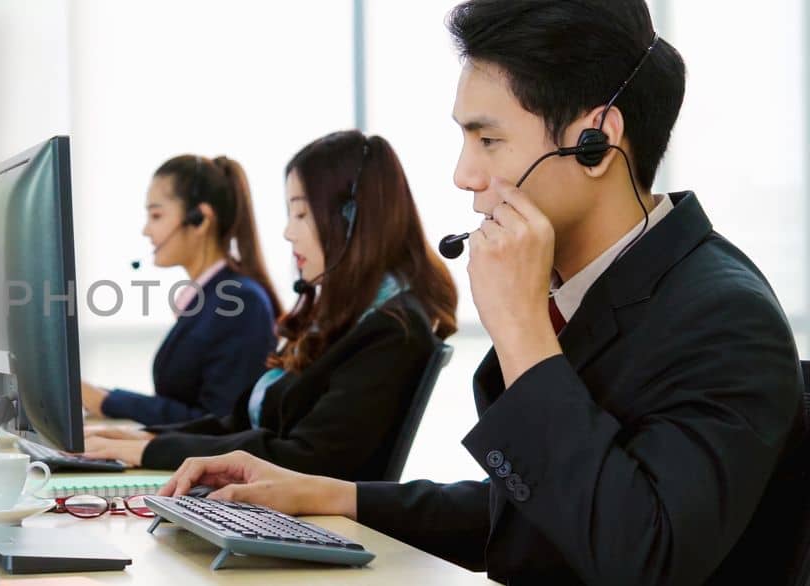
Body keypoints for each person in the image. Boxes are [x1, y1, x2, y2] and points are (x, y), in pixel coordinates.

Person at [157, 2, 806, 584]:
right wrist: (326, 494)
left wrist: (523, 330)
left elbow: (641, 554)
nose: (464, 176)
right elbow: (533, 508)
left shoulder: (723, 317)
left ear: (595, 142)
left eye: (488, 139)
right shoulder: (586, 288)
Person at [81, 131, 458, 477]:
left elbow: (303, 457)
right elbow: (239, 422)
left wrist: (151, 450)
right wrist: (148, 439)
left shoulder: (391, 329)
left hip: (315, 528)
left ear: (353, 219)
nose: (287, 231)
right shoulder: (337, 320)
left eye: (301, 213)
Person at [79, 154, 281, 426]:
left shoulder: (240, 301)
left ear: (200, 219)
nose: (146, 230)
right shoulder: (209, 298)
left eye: (156, 215)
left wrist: (109, 402)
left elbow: (220, 422)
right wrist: (105, 399)